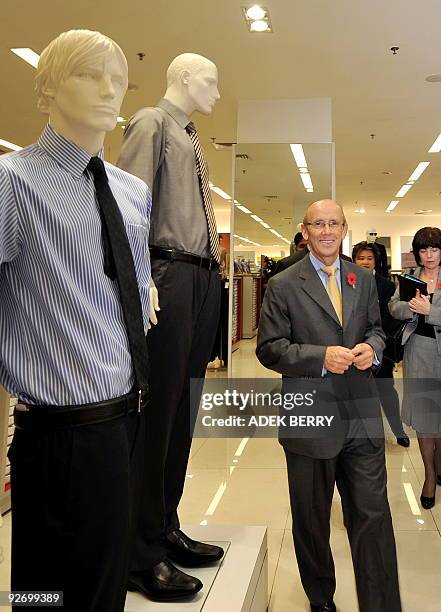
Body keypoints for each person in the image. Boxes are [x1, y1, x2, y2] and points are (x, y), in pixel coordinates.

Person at [0, 29, 152, 612]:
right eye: (90, 75)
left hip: (125, 418)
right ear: (46, 89)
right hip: (55, 431)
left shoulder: (130, 190)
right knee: (43, 592)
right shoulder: (14, 181)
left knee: (105, 583)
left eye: (118, 79)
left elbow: (133, 288)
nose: (109, 90)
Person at [257, 200, 401, 612]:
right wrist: (320, 357)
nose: (326, 230)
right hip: (310, 416)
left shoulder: (362, 278)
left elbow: (377, 329)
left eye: (333, 223)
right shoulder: (284, 284)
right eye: (318, 223)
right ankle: (321, 600)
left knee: (373, 517)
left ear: (344, 229)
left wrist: (372, 350)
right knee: (312, 519)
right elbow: (270, 349)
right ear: (305, 230)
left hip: (361, 414)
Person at [117, 53, 223, 601]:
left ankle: (164, 526)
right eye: (210, 81)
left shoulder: (189, 135)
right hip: (169, 272)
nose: (216, 92)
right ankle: (139, 554)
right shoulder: (150, 122)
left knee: (184, 413)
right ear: (180, 77)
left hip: (200, 280)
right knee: (157, 417)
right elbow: (129, 206)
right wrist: (143, 279)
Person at [389, 227, 441, 509]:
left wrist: (430, 311)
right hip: (418, 351)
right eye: (424, 250)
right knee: (424, 414)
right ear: (417, 252)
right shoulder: (411, 279)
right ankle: (430, 474)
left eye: (434, 249)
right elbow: (392, 307)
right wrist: (411, 308)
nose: (429, 255)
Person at [352, 241, 409, 447]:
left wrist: (374, 340)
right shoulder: (347, 282)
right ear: (354, 260)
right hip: (352, 349)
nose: (365, 262)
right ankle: (361, 434)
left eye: (369, 258)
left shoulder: (386, 285)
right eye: (361, 258)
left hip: (379, 348)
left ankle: (398, 429)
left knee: (386, 391)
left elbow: (392, 318)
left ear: (376, 261)